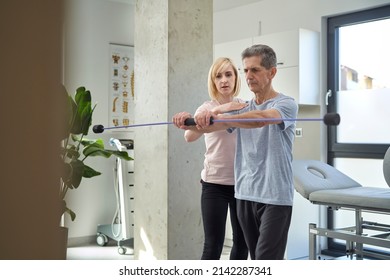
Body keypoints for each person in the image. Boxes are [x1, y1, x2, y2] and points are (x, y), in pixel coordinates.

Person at [180, 44, 298, 260]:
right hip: (245, 194)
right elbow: (204, 129)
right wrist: (187, 121)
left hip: (274, 197)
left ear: (272, 72)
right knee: (250, 256)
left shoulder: (286, 103)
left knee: (264, 260)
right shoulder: (241, 108)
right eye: (246, 70)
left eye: (255, 70)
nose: (249, 76)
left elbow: (260, 120)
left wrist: (220, 115)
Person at [172, 57, 248, 260]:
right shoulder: (205, 108)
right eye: (218, 76)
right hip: (214, 184)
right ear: (213, 81)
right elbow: (189, 136)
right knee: (213, 245)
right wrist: (190, 121)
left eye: (228, 74)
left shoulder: (245, 106)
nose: (224, 80)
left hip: (243, 184)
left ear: (235, 77)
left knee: (242, 245)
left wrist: (223, 111)